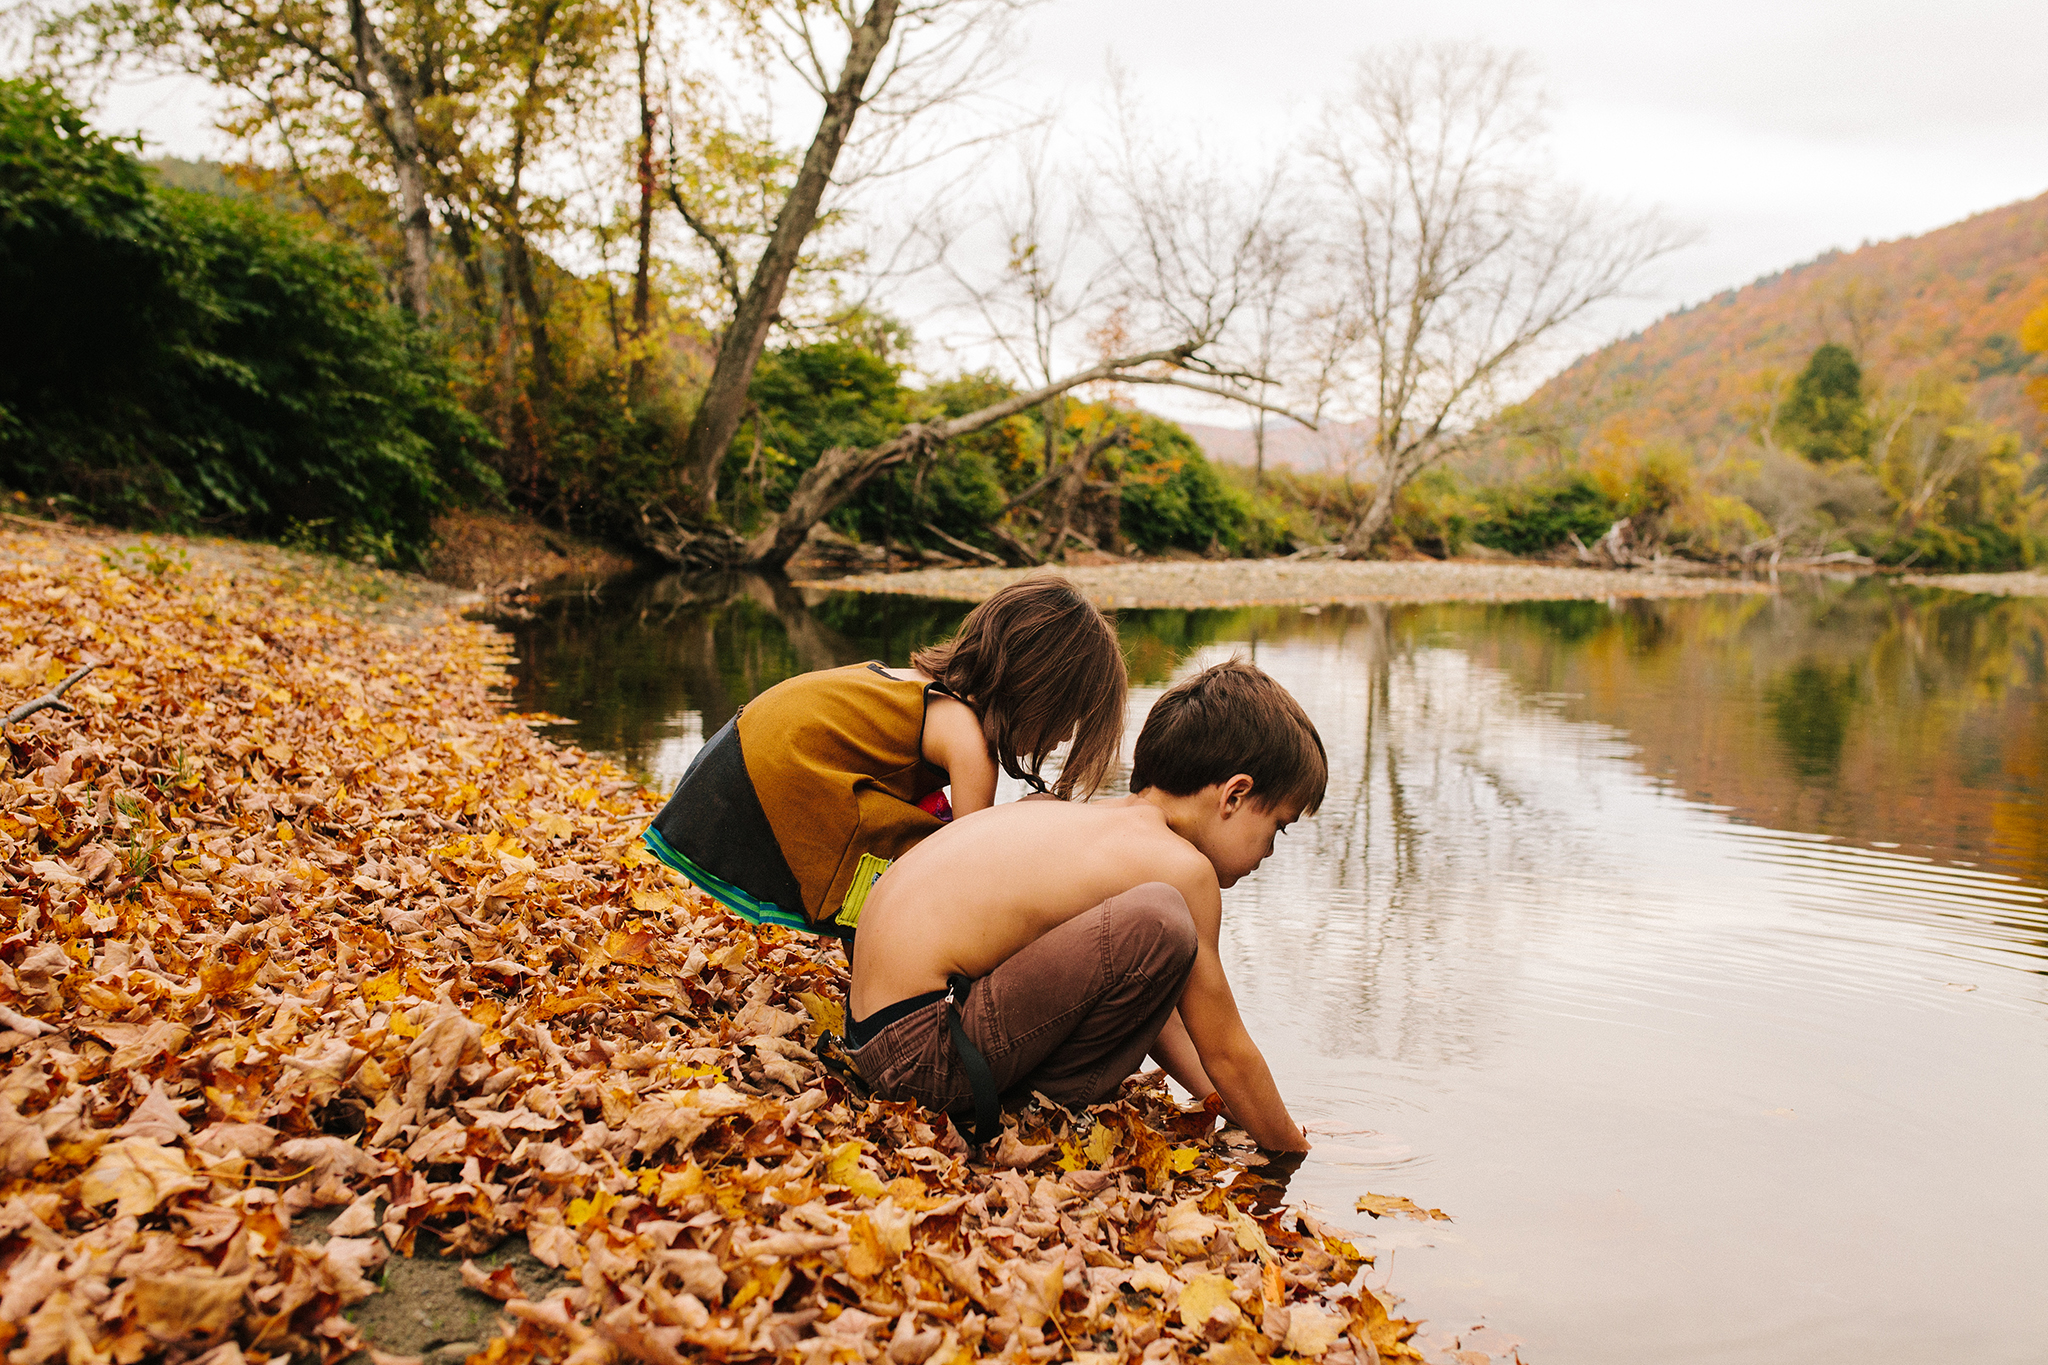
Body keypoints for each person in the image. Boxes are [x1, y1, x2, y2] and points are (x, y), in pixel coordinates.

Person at [846, 658, 1324, 1152]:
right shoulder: (1181, 869)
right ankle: (1033, 1112)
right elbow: (1225, 1050)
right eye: (1278, 828)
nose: (1269, 852)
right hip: (926, 1063)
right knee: (1162, 921)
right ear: (1235, 795)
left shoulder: (1074, 820)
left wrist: (1224, 1108)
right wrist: (1293, 1145)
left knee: (1155, 933)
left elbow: (1158, 1002)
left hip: (873, 1039)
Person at [643, 573, 1127, 941]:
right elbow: (972, 868)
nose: (1064, 736)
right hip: (779, 776)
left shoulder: (917, 686)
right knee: (939, 861)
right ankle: (887, 964)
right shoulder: (969, 740)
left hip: (731, 757)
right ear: (1037, 691)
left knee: (930, 818)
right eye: (1068, 717)